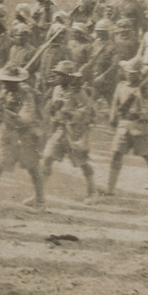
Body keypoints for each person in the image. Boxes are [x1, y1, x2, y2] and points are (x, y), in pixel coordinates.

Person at [0, 65, 45, 215]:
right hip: (9, 137)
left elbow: (25, 120)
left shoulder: (27, 95)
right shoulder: (5, 93)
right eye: (3, 81)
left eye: (7, 82)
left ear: (15, 82)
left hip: (26, 137)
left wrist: (2, 110)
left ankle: (41, 202)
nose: (4, 84)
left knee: (33, 169)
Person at [37, 61, 96, 202]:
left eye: (60, 75)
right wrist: (52, 108)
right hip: (59, 130)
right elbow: (52, 111)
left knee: (82, 163)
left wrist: (70, 113)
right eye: (56, 74)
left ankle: (92, 193)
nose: (56, 77)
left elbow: (88, 111)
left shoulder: (78, 92)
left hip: (74, 132)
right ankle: (38, 196)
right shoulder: (57, 90)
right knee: (46, 159)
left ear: (68, 77)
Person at [106, 59, 148, 194]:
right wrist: (112, 118)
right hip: (123, 126)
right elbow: (115, 104)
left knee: (146, 155)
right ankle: (110, 188)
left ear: (139, 74)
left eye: (133, 73)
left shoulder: (145, 90)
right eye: (128, 73)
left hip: (141, 128)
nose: (130, 75)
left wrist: (139, 114)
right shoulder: (121, 86)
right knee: (116, 154)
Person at [80, 19, 118, 104]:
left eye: (102, 32)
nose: (100, 34)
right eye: (98, 31)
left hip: (108, 78)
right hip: (95, 76)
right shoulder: (96, 43)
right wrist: (85, 68)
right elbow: (92, 59)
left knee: (111, 101)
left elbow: (114, 65)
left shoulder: (113, 46)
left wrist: (104, 76)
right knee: (93, 100)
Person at [37, 23, 71, 100]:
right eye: (59, 34)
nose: (61, 36)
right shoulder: (43, 48)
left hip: (56, 84)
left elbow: (67, 69)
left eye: (63, 34)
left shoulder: (64, 50)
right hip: (43, 81)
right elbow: (37, 66)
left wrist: (56, 81)